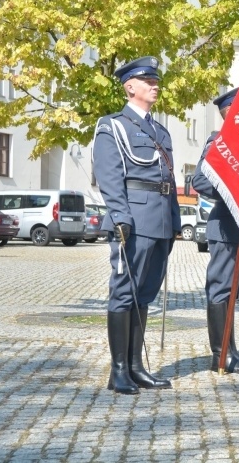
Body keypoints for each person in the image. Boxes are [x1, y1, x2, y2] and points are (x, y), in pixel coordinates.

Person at [94, 56, 178, 394]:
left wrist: (173, 220)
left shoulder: (161, 131)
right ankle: (118, 372)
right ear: (130, 87)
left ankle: (136, 366)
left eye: (156, 81)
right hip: (133, 220)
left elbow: (168, 179)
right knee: (124, 293)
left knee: (145, 294)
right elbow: (110, 177)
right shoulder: (113, 126)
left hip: (158, 221)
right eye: (149, 82)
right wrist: (120, 218)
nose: (155, 86)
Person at [192, 88, 239, 375]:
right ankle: (220, 355)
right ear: (229, 113)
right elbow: (200, 181)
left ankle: (231, 350)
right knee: (221, 290)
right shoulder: (218, 143)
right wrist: (234, 189)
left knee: (234, 291)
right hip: (226, 227)